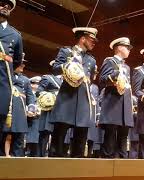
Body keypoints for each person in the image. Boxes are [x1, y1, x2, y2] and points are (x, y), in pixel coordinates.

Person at [49, 27, 98, 158]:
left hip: (83, 101)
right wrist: (68, 65)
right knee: (59, 137)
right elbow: (55, 69)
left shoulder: (92, 60)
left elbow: (90, 79)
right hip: (67, 98)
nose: (94, 43)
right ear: (82, 38)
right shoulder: (67, 51)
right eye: (91, 40)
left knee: (80, 141)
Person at [99, 37, 134, 158]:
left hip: (125, 104)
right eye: (127, 48)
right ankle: (107, 165)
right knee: (110, 135)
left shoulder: (127, 67)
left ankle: (122, 164)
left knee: (123, 136)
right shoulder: (109, 61)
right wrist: (115, 75)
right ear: (119, 48)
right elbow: (102, 80)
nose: (129, 50)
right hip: (113, 104)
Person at [1, 57, 36, 157]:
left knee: (19, 138)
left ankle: (17, 158)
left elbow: (30, 96)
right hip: (7, 110)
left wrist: (31, 108)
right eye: (20, 63)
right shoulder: (5, 75)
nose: (23, 65)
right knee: (4, 135)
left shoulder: (25, 80)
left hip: (20, 113)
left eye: (23, 63)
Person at [0, 0, 23, 148]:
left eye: (9, 5)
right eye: (2, 2)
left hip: (1, 86)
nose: (6, 6)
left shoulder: (15, 35)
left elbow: (16, 62)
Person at [36, 60, 62, 157]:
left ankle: (53, 158)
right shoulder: (48, 78)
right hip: (49, 110)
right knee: (44, 135)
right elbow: (39, 92)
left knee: (57, 136)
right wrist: (51, 96)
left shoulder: (66, 81)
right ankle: (40, 157)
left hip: (60, 111)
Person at [25, 76, 41, 157]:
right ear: (31, 85)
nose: (38, 86)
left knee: (36, 141)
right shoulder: (27, 94)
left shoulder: (40, 95)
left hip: (38, 120)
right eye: (36, 83)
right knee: (28, 140)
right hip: (28, 120)